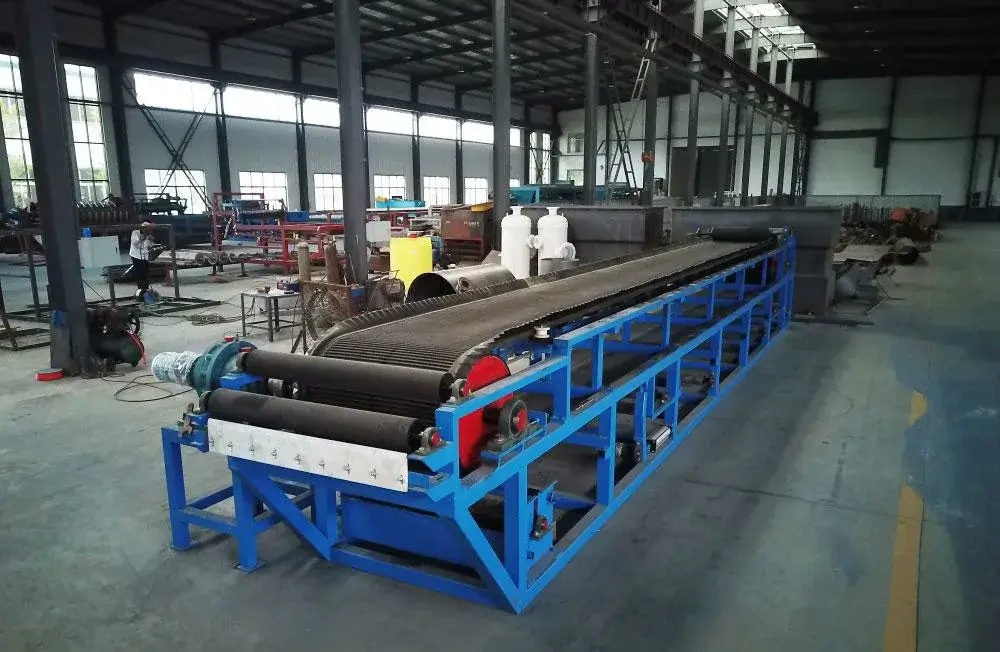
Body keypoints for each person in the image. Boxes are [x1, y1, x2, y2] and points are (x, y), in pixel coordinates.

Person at [129, 221, 155, 294]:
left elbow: (150, 245)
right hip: (136, 256)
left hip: (144, 256)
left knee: (146, 273)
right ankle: (141, 290)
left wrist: (151, 240)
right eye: (147, 229)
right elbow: (135, 243)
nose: (148, 231)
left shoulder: (148, 234)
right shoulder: (135, 232)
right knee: (139, 274)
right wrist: (143, 237)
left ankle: (146, 289)